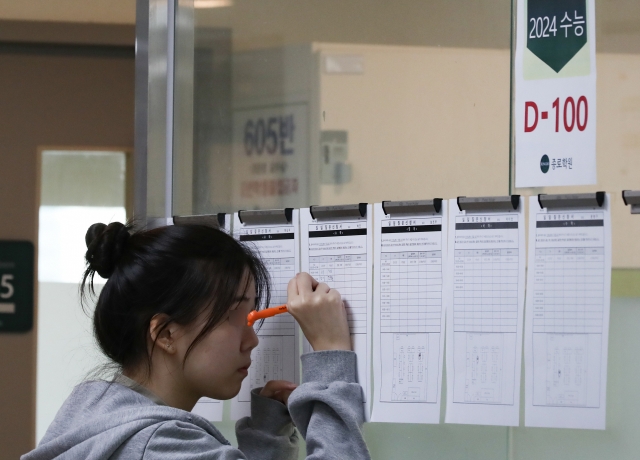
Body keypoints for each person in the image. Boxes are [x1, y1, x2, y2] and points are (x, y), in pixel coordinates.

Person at [22, 222, 370, 460]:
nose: (251, 341)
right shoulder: (158, 444)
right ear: (166, 333)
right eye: (235, 317)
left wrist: (266, 436)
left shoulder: (94, 413)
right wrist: (329, 357)